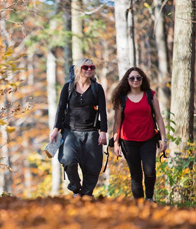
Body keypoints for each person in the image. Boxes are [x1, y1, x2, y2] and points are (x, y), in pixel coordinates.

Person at [50, 58, 107, 197]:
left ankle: (86, 195)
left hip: (91, 133)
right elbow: (60, 109)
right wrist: (55, 129)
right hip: (70, 132)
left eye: (91, 67)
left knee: (93, 167)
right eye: (85, 67)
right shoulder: (68, 87)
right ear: (78, 69)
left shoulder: (97, 88)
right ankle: (76, 189)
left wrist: (103, 132)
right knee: (68, 161)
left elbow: (103, 111)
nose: (88, 70)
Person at [111, 67, 167, 202]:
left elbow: (159, 117)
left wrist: (164, 139)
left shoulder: (150, 95)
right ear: (127, 80)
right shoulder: (121, 99)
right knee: (136, 175)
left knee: (150, 171)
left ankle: (149, 199)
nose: (135, 80)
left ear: (142, 80)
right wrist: (116, 143)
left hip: (148, 139)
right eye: (132, 78)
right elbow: (117, 122)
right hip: (128, 141)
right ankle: (139, 204)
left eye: (138, 78)